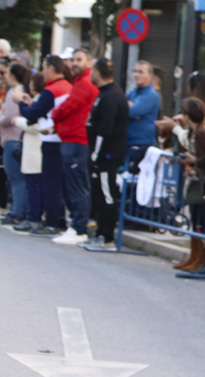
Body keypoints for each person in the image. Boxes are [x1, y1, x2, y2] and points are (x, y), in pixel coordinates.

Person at [14, 56, 72, 236]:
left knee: (51, 184)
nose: (43, 72)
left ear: (52, 68)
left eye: (44, 68)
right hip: (65, 140)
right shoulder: (68, 88)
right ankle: (59, 220)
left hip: (52, 141)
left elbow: (32, 116)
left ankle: (52, 223)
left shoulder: (52, 90)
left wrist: (22, 103)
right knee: (60, 184)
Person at [49, 47, 99, 245]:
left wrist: (55, 117)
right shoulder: (80, 82)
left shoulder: (84, 83)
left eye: (79, 59)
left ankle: (79, 227)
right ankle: (78, 226)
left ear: (89, 62)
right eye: (73, 59)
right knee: (77, 185)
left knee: (77, 186)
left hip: (77, 140)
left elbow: (66, 108)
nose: (75, 63)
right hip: (73, 138)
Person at [164, 97, 205, 263]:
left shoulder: (203, 132)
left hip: (204, 184)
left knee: (202, 222)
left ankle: (204, 260)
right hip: (196, 181)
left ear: (188, 116)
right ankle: (195, 257)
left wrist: (195, 161)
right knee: (196, 221)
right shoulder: (195, 131)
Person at [82, 57, 129, 248]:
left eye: (93, 71)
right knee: (100, 195)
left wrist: (97, 156)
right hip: (101, 155)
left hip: (107, 157)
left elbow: (105, 130)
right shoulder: (105, 94)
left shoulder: (111, 96)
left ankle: (107, 236)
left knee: (107, 195)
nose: (91, 74)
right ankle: (101, 232)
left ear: (98, 72)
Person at [1, 63, 31, 226]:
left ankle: (17, 211)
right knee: (19, 178)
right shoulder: (23, 90)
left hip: (12, 139)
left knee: (16, 178)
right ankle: (18, 210)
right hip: (19, 138)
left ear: (12, 76)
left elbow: (9, 117)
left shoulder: (14, 93)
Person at [125, 60, 159, 170]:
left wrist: (131, 108)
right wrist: (129, 106)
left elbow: (131, 112)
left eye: (140, 72)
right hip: (129, 144)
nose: (136, 75)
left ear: (150, 75)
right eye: (135, 71)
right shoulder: (133, 91)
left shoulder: (151, 94)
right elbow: (119, 107)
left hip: (142, 145)